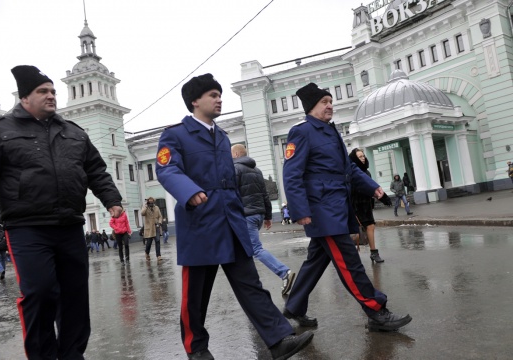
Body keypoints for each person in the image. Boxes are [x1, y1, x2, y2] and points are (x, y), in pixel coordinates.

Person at [0, 65, 123, 359]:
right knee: (41, 292)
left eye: (52, 91)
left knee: (74, 296)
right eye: (42, 91)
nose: (51, 96)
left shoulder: (73, 132)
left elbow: (96, 170)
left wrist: (111, 199)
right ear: (25, 98)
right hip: (26, 228)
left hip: (70, 226)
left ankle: (73, 354)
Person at [156, 73, 313, 360]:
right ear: (195, 101)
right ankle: (197, 348)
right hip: (200, 222)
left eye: (219, 94)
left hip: (231, 221)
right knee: (195, 295)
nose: (219, 99)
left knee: (250, 284)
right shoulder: (175, 134)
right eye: (213, 95)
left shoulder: (222, 135)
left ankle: (279, 340)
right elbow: (167, 170)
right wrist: (189, 191)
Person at [282, 82, 412, 332]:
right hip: (321, 210)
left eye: (331, 101)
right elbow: (292, 173)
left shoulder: (330, 132)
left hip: (335, 206)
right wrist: (300, 211)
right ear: (311, 107)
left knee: (316, 260)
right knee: (348, 262)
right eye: (324, 102)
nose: (330, 105)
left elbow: (348, 168)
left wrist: (371, 186)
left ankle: (294, 306)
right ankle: (376, 310)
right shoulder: (302, 132)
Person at [231, 143, 296, 295]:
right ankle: (251, 287)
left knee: (255, 249)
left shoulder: (235, 169)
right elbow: (265, 195)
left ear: (235, 155)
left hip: (246, 216)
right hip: (258, 215)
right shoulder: (257, 170)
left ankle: (284, 272)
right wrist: (267, 216)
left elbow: (232, 194)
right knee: (243, 250)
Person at [349, 149, 392, 263]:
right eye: (359, 157)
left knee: (371, 226)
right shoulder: (351, 172)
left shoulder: (367, 172)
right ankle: (348, 255)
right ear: (354, 159)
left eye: (363, 156)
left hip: (366, 204)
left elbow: (370, 187)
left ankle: (373, 252)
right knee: (355, 231)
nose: (363, 158)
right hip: (355, 205)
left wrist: (380, 197)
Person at [141, 197, 163, 261]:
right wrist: (145, 206)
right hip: (149, 228)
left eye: (152, 201)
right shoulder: (145, 207)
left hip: (156, 227)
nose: (151, 203)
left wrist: (159, 223)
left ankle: (158, 255)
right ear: (148, 202)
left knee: (157, 241)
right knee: (149, 243)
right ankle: (147, 253)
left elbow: (160, 216)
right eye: (149, 202)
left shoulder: (156, 208)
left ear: (153, 201)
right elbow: (142, 213)